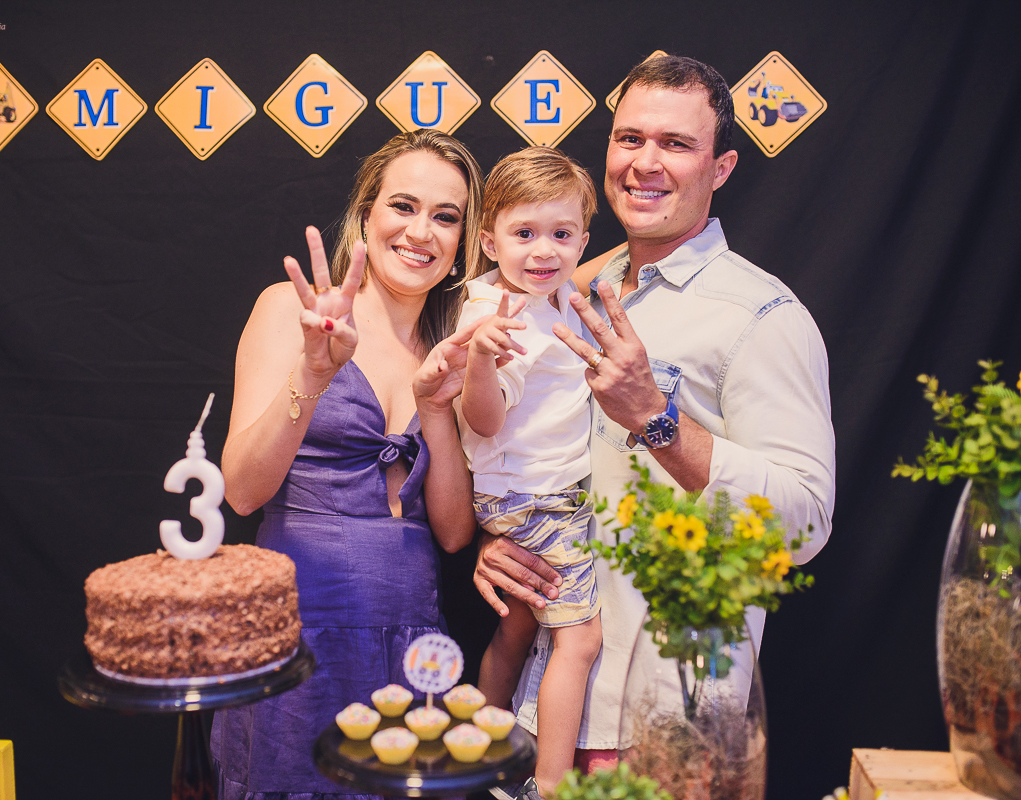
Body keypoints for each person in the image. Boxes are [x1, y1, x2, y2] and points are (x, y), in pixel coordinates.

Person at [474, 55, 837, 776]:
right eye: (629, 138)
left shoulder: (761, 316)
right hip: (544, 703)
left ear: (722, 166)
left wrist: (656, 417)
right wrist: (505, 532)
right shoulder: (567, 285)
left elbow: (805, 525)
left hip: (664, 722)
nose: (645, 163)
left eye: (675, 144)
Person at [213, 129, 485, 800]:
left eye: (446, 216)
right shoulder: (292, 312)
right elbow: (244, 493)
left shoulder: (455, 347)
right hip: (296, 633)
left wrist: (434, 409)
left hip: (414, 638)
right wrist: (312, 369)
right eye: (403, 205)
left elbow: (452, 533)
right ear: (366, 214)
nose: (421, 231)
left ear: (461, 243)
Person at [456, 147, 601, 798]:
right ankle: (549, 785)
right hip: (537, 499)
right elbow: (484, 419)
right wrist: (480, 361)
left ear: (583, 240)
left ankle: (479, 758)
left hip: (517, 498)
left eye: (561, 235)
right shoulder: (501, 319)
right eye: (524, 234)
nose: (544, 251)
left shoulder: (531, 292)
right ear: (487, 239)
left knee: (517, 624)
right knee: (580, 639)